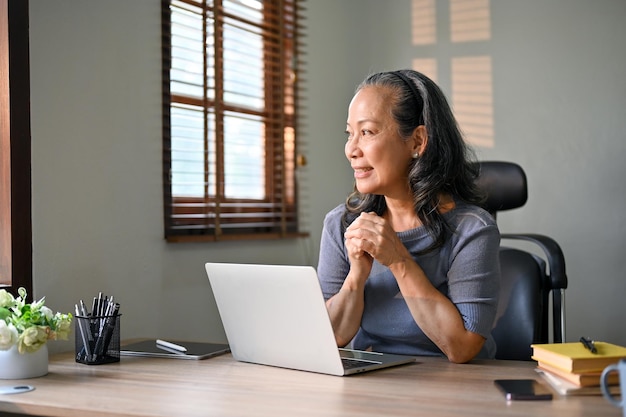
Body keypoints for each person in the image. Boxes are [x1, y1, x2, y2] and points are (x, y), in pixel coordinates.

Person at [317, 69, 500, 364]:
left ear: (417, 141)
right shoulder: (341, 224)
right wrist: (357, 275)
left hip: (456, 388)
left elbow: (463, 348)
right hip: (373, 382)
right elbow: (332, 337)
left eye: (367, 132)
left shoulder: (472, 230)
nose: (351, 149)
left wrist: (399, 260)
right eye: (350, 134)